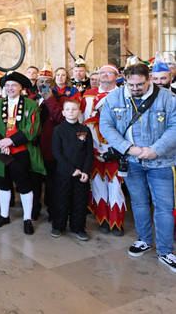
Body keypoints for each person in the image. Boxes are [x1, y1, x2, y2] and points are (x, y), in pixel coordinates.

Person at [100, 63, 176, 273]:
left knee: (164, 207)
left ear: (149, 78)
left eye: (140, 84)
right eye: (130, 84)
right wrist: (129, 148)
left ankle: (165, 250)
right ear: (124, 78)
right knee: (139, 202)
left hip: (161, 161)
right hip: (132, 162)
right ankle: (144, 239)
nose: (135, 89)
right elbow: (106, 125)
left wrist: (155, 150)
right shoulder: (114, 98)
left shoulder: (167, 98)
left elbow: (175, 126)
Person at [0, 72, 45, 235]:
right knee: (3, 183)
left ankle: (27, 219)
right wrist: (1, 142)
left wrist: (11, 141)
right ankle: (4, 215)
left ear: (21, 88)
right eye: (7, 85)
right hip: (1, 151)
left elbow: (32, 129)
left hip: (20, 151)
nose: (10, 88)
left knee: (24, 185)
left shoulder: (31, 105)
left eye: (13, 85)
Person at [81, 64, 125, 236]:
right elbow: (82, 120)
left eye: (109, 73)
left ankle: (117, 222)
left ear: (117, 76)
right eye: (103, 73)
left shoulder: (124, 94)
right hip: (94, 150)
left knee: (115, 187)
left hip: (116, 150)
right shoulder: (88, 95)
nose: (105, 75)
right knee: (98, 187)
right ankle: (103, 221)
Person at [27, 60, 66, 222]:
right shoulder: (31, 99)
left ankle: (52, 209)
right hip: (33, 148)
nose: (43, 84)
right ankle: (34, 208)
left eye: (47, 82)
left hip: (51, 148)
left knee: (51, 181)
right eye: (40, 81)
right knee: (33, 180)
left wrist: (50, 99)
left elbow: (60, 119)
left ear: (53, 84)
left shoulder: (61, 99)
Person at [51, 99, 94, 240]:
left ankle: (78, 227)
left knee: (80, 201)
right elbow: (57, 153)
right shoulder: (58, 130)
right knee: (61, 200)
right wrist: (71, 170)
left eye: (74, 109)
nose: (71, 112)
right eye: (68, 109)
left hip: (82, 174)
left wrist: (85, 171)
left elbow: (89, 153)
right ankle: (58, 226)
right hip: (64, 173)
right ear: (63, 112)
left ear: (79, 112)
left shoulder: (85, 130)